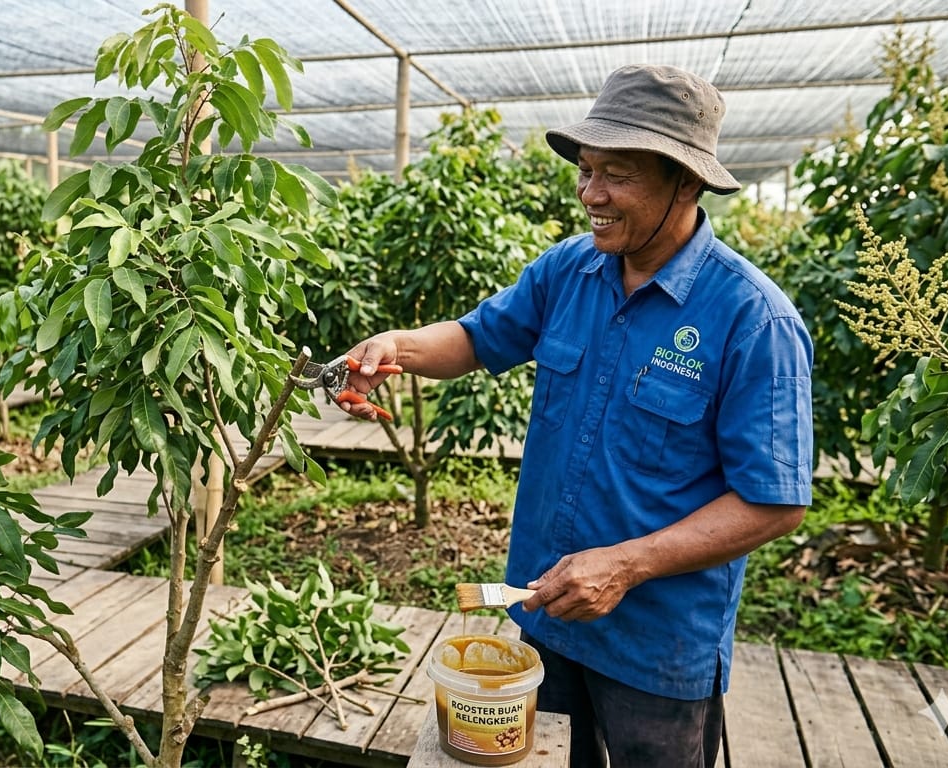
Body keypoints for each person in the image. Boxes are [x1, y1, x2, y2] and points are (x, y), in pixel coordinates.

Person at [343, 64, 813, 768]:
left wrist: (626, 565)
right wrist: (398, 348)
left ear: (686, 181)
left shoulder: (752, 318)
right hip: (542, 613)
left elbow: (773, 503)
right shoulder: (569, 271)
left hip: (656, 647)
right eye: (587, 170)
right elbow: (477, 337)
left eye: (616, 175)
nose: (591, 193)